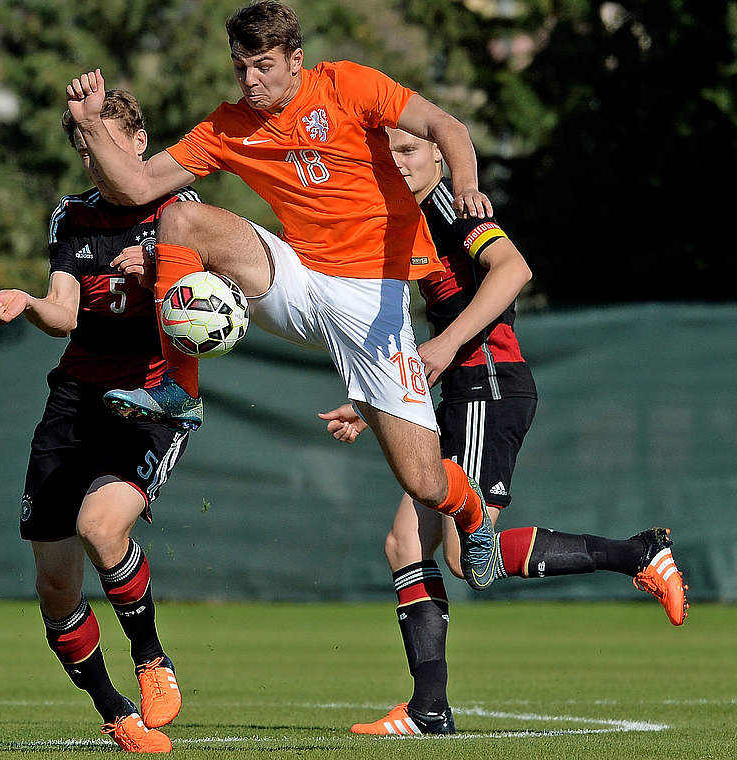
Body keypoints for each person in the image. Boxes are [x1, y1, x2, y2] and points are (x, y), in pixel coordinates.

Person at [66, 0, 504, 595]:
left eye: (264, 65)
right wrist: (92, 125)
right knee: (178, 223)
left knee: (425, 482)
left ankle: (472, 513)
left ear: (296, 60)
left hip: (373, 300)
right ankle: (180, 389)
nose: (251, 80)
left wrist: (469, 187)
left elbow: (449, 128)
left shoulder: (347, 85)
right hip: (297, 278)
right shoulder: (229, 125)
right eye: (241, 66)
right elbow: (136, 186)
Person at [317, 128, 688, 736]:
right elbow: (427, 336)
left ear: (438, 155)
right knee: (406, 544)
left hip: (490, 387)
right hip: (464, 392)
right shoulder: (409, 224)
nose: (399, 163)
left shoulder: (453, 207)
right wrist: (372, 400)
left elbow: (515, 269)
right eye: (390, 154)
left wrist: (447, 343)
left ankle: (637, 554)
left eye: (410, 151)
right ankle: (428, 710)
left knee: (461, 556)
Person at [0, 90, 197, 754]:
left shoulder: (181, 212)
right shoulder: (71, 217)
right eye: (80, 145)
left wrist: (163, 268)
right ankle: (113, 709)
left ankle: (152, 657)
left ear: (137, 142)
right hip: (74, 400)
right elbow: (65, 313)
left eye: (99, 139)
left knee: (102, 526)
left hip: (155, 397)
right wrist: (28, 302)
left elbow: (220, 303)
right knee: (53, 583)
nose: (89, 156)